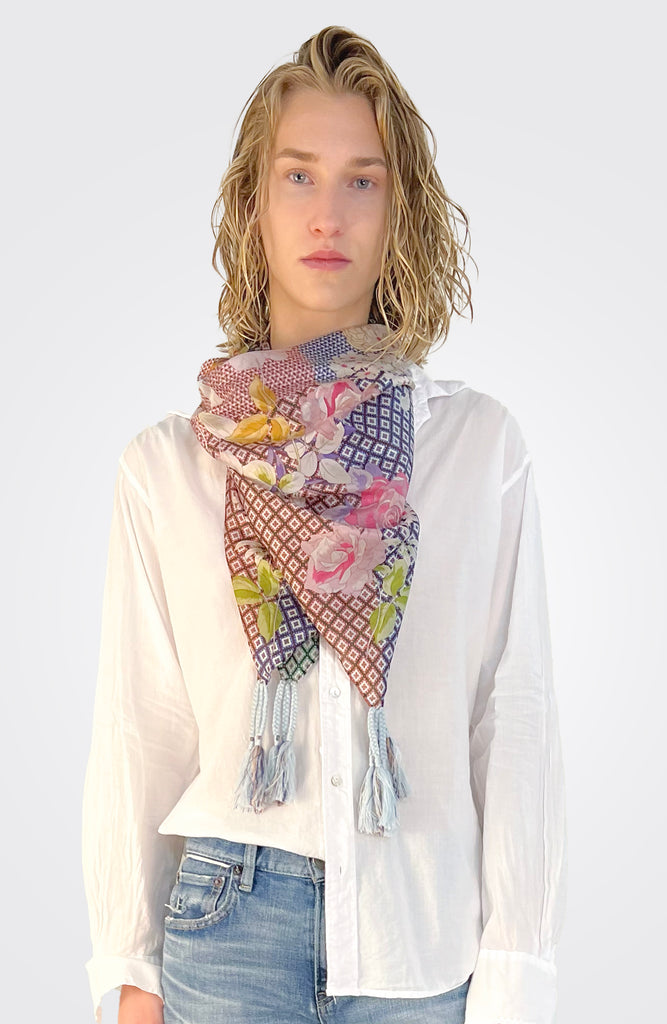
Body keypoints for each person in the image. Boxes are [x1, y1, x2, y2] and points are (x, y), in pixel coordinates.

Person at [81, 25, 568, 1024]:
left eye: (362, 181)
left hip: (419, 935)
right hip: (223, 928)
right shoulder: (166, 466)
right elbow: (142, 729)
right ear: (251, 206)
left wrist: (515, 972)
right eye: (297, 176)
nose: (327, 214)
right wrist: (126, 966)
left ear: (400, 211)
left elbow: (511, 715)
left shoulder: (476, 446)